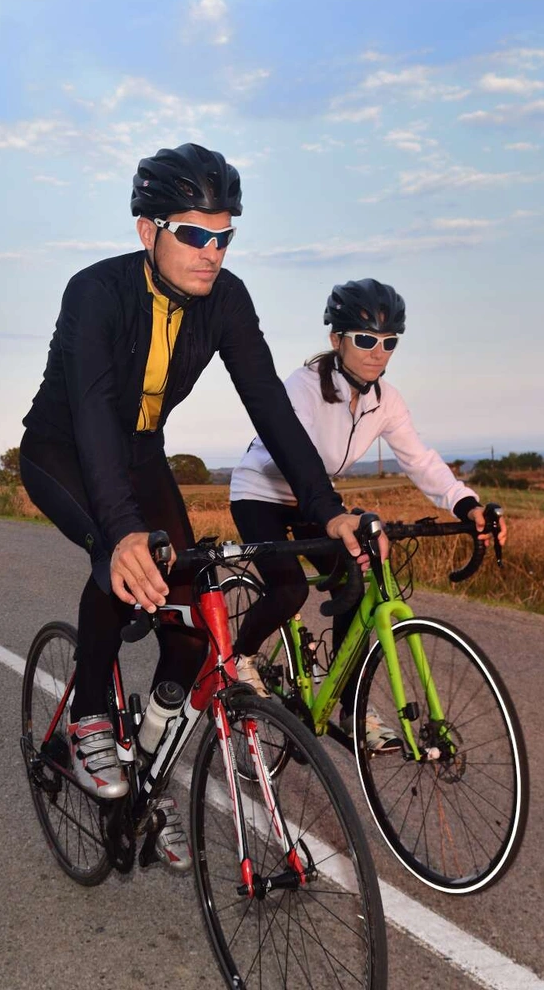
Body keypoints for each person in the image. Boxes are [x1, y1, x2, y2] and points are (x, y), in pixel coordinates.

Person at [19, 143, 365, 871]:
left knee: (190, 628)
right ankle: (87, 715)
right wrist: (118, 536)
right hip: (65, 450)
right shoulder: (96, 292)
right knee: (124, 564)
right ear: (149, 231)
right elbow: (90, 414)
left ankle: (148, 777)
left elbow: (270, 405)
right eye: (195, 234)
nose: (213, 251)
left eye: (225, 234)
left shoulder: (227, 301)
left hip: (140, 454)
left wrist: (328, 508)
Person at [229, 277, 507, 751]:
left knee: (356, 583)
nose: (378, 352)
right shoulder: (303, 387)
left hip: (320, 503)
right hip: (262, 495)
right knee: (291, 588)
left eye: (389, 341)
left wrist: (466, 504)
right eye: (364, 339)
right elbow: (297, 457)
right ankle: (242, 657)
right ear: (336, 340)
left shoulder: (387, 400)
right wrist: (339, 511)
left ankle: (349, 699)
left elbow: (418, 459)